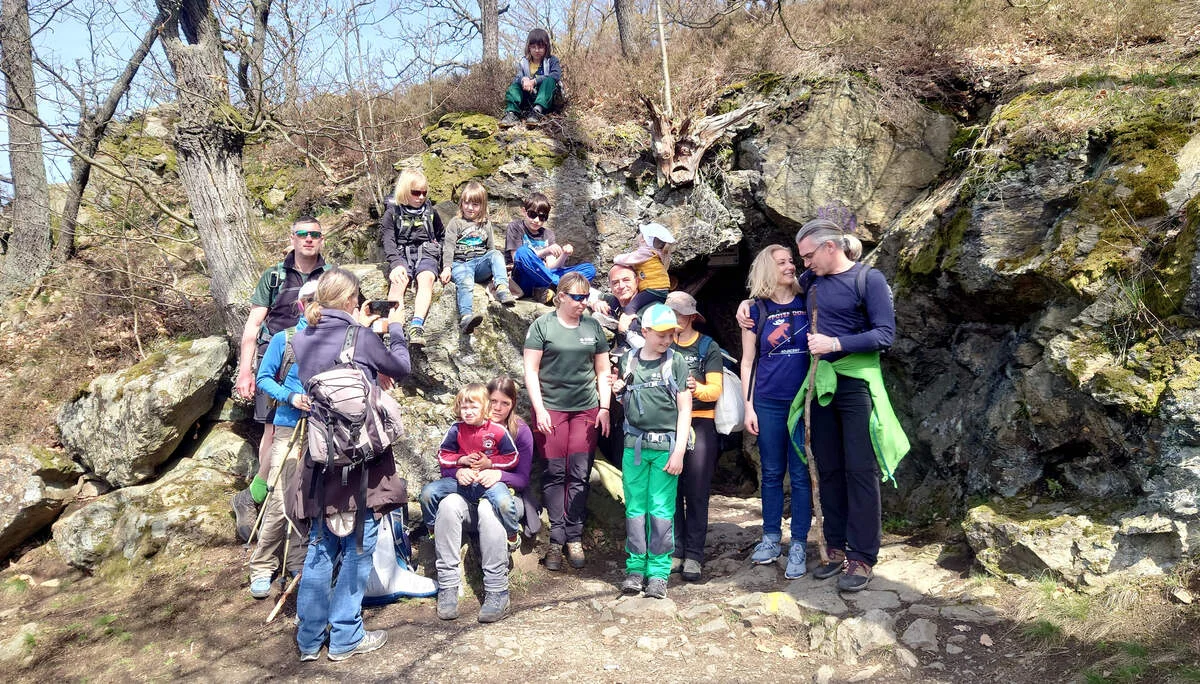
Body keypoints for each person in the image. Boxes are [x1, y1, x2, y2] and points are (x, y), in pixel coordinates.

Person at [289, 267, 410, 663]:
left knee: (320, 547)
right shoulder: (360, 337)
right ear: (350, 300)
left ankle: (309, 640)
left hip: (321, 458)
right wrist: (395, 328)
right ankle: (345, 636)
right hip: (363, 460)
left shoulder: (301, 338)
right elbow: (400, 368)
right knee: (358, 548)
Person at [790, 219, 905, 592]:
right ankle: (836, 547)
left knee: (859, 470)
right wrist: (747, 304)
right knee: (829, 469)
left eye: (809, 255)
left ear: (830, 247)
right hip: (820, 384)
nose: (805, 263)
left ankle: (862, 557)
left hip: (855, 385)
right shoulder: (812, 281)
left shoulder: (868, 280)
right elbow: (778, 291)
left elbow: (885, 335)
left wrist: (835, 344)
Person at [232, 216, 332, 542]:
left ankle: (287, 501)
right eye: (302, 234)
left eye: (315, 234)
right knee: (273, 431)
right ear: (292, 238)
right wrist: (245, 371)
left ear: (322, 239)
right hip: (276, 358)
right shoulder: (274, 276)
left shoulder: (330, 275)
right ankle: (257, 498)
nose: (308, 239)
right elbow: (253, 325)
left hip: (315, 357)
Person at [523, 272, 611, 571]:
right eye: (577, 297)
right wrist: (540, 409)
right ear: (561, 296)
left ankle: (574, 535)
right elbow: (531, 370)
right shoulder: (542, 326)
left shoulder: (592, 326)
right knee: (554, 472)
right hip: (552, 409)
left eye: (586, 297)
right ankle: (556, 539)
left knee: (579, 472)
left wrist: (604, 407)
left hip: (586, 410)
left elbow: (602, 371)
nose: (582, 303)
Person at [433, 376, 535, 623]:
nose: (498, 408)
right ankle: (447, 586)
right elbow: (446, 464)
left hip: (507, 500)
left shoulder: (519, 431)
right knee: (447, 504)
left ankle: (497, 591)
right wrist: (458, 472)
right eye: (493, 401)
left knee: (490, 509)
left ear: (512, 405)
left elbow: (523, 479)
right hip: (469, 495)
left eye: (505, 403)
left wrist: (498, 474)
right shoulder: (463, 429)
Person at [739, 244, 813, 580]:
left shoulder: (807, 299)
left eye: (791, 261)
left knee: (800, 473)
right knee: (770, 472)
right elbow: (747, 361)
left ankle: (798, 542)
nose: (790, 266)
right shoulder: (755, 310)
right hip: (768, 400)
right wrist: (748, 406)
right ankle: (770, 537)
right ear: (768, 269)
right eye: (782, 262)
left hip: (802, 402)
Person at [612, 304, 690, 600]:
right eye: (661, 334)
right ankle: (635, 569)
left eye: (671, 334)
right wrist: (617, 391)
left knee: (660, 510)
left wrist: (679, 451)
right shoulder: (629, 360)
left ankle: (658, 573)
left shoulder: (676, 362)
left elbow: (685, 408)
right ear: (645, 331)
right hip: (634, 446)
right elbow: (628, 401)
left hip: (665, 449)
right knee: (635, 509)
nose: (667, 339)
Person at [246, 281, 318, 599]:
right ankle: (262, 565)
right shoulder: (284, 338)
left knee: (307, 496)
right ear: (301, 304)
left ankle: (297, 560)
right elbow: (263, 378)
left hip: (320, 429)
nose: (317, 305)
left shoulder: (332, 338)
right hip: (288, 427)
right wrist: (291, 396)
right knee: (279, 497)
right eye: (312, 300)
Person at [664, 291, 723, 582]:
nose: (674, 319)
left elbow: (715, 390)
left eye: (678, 314)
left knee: (697, 490)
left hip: (701, 421)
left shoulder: (707, 346)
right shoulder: (663, 342)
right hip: (669, 423)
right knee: (671, 488)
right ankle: (676, 550)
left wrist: (695, 388)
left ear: (690, 317)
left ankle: (695, 555)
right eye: (670, 313)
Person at [419, 383, 520, 543]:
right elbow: (443, 456)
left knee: (504, 503)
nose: (468, 412)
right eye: (464, 407)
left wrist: (490, 464)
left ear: (485, 407)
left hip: (487, 482)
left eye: (473, 407)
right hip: (461, 482)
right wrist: (461, 460)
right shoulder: (456, 429)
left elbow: (512, 458)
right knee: (427, 493)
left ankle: (512, 535)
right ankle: (433, 529)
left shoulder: (498, 431)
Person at [380, 168, 445, 347]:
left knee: (426, 279)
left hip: (427, 252)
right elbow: (388, 240)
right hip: (402, 254)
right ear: (404, 191)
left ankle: (417, 325)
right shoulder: (392, 213)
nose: (421, 197)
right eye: (416, 193)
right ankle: (395, 327)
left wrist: (443, 263)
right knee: (398, 284)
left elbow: (442, 235)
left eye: (424, 193)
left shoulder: (431, 212)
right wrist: (395, 264)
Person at [442, 181, 515, 335]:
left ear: (482, 206)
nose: (470, 208)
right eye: (466, 203)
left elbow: (491, 249)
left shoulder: (485, 224)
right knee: (466, 282)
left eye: (475, 204)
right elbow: (448, 247)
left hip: (480, 265)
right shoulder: (456, 223)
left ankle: (502, 288)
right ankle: (466, 317)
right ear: (461, 203)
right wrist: (447, 268)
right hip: (460, 264)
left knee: (496, 254)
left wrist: (497, 271)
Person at [592, 263, 644, 468]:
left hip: (643, 389)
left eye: (626, 280)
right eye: (615, 282)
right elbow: (582, 292)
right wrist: (596, 303)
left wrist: (626, 330)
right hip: (614, 387)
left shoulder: (649, 307)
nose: (621, 286)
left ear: (637, 281)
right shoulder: (612, 302)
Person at [504, 192, 596, 303]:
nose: (537, 220)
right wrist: (545, 251)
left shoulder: (548, 234)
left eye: (542, 217)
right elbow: (516, 258)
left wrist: (564, 255)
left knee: (589, 269)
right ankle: (558, 286)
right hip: (523, 278)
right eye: (532, 214)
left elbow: (552, 266)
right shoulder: (515, 227)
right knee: (523, 252)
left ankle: (548, 289)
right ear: (524, 211)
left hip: (544, 277)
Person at [499, 28, 561, 128]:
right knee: (514, 86)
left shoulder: (552, 60)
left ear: (546, 47)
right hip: (529, 97)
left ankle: (537, 112)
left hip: (546, 98)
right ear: (529, 47)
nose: (537, 50)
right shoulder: (523, 62)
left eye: (540, 47)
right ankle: (512, 113)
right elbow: (517, 77)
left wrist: (534, 81)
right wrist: (524, 79)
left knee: (550, 80)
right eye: (533, 47)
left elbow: (556, 75)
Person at [613, 222, 675, 311]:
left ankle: (627, 318)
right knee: (644, 309)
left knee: (631, 307)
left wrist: (616, 258)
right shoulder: (659, 254)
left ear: (643, 239)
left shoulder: (645, 253)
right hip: (663, 291)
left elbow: (626, 259)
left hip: (652, 289)